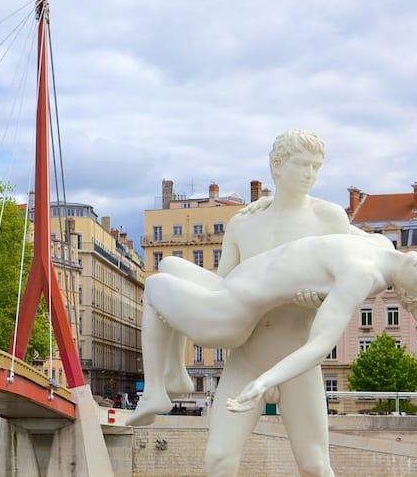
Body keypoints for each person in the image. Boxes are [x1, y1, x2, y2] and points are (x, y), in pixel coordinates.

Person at [134, 131, 403, 477]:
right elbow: (223, 289)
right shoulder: (243, 223)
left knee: (315, 465)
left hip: (296, 360)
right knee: (217, 458)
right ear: (277, 167)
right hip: (247, 358)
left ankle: (169, 377)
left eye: (316, 167)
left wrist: (320, 299)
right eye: (302, 165)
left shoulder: (329, 218)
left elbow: (380, 259)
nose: (310, 174)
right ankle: (172, 374)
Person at [125, 233, 417, 424]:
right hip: (225, 286)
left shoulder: (362, 276)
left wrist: (265, 380)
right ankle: (176, 375)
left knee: (154, 288)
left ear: (408, 293)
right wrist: (263, 205)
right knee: (169, 264)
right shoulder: (380, 243)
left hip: (228, 312)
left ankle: (155, 392)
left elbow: (319, 346)